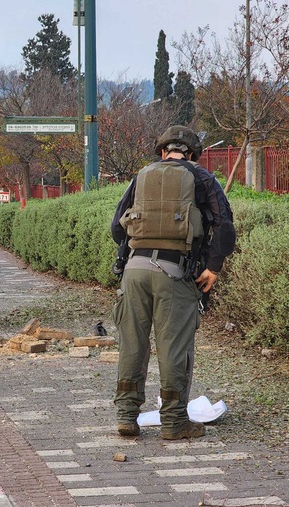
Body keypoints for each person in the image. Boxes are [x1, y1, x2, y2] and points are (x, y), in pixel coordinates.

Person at [110, 126, 236, 440]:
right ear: (194, 154)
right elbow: (225, 227)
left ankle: (127, 417)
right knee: (174, 349)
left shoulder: (142, 175)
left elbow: (117, 227)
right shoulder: (203, 178)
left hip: (133, 271)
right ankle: (174, 422)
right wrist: (214, 267)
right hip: (175, 273)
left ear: (162, 152)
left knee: (132, 346)